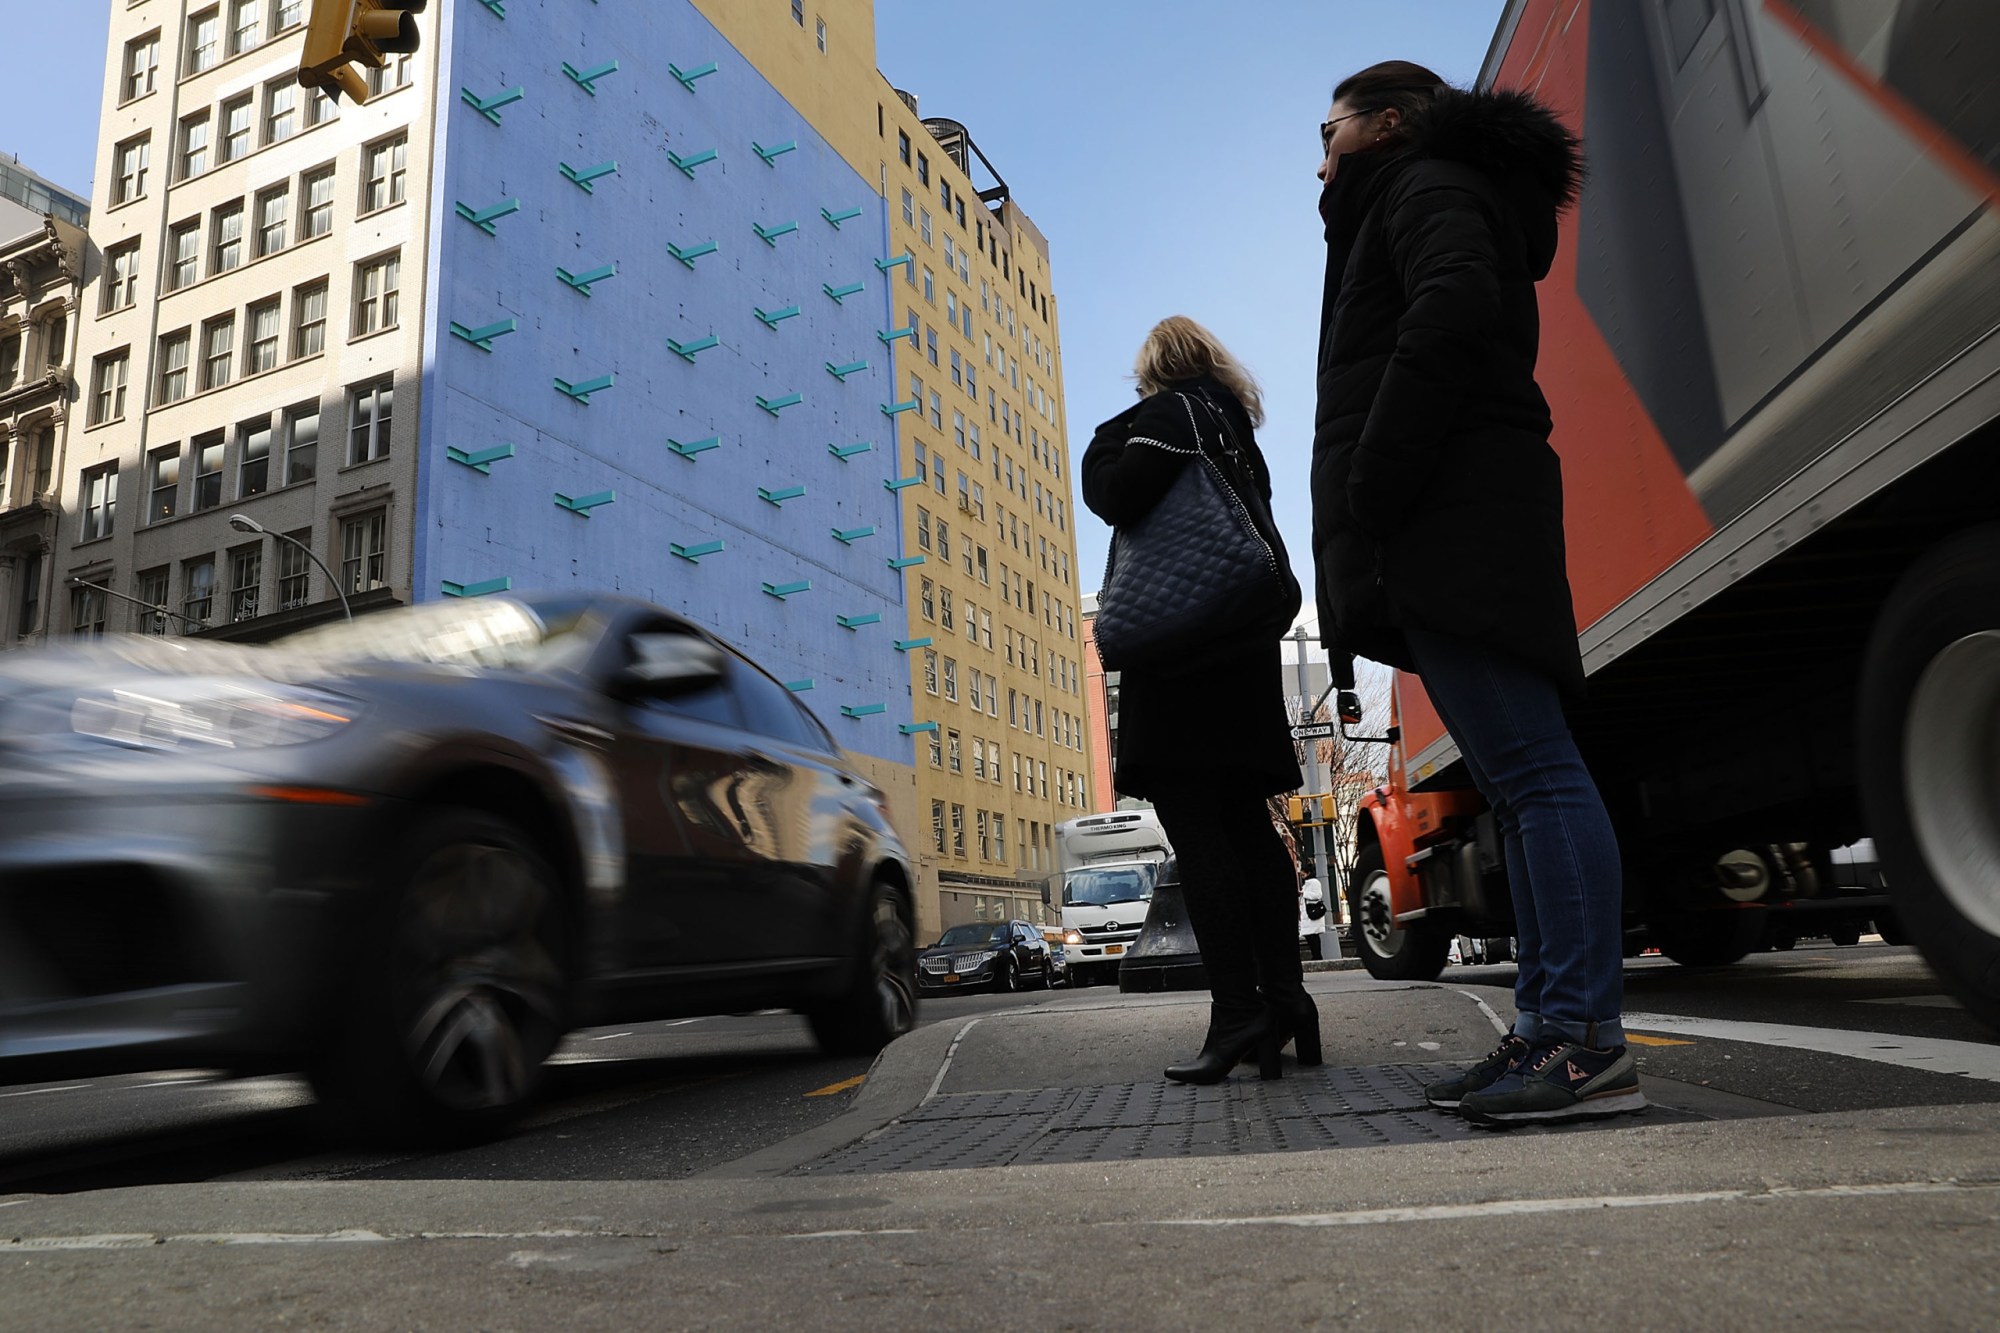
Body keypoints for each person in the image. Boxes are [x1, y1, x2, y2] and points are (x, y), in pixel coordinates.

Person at [1309, 63, 1645, 1124]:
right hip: (1457, 515)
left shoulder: (1426, 183)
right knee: (1516, 784)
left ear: (1388, 122)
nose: (1318, 155)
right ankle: (1550, 1031)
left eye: (1330, 130)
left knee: (1537, 777)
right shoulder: (1427, 188)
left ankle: (1582, 1040)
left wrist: (1377, 476)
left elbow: (1448, 310)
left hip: (1451, 515)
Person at [1082, 316, 1314, 1084]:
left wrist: (1112, 427)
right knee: (1248, 827)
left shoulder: (1167, 414)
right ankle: (1287, 1002)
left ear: (1154, 370)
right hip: (1241, 651)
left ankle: (1237, 1011)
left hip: (1181, 656)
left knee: (1199, 831)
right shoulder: (1231, 427)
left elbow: (1115, 493)